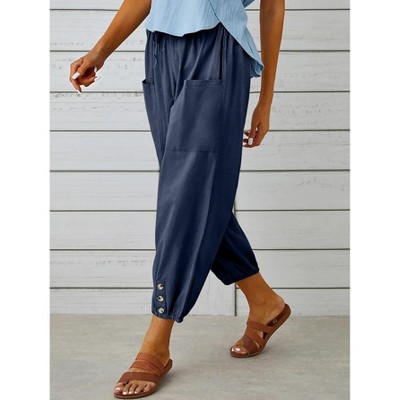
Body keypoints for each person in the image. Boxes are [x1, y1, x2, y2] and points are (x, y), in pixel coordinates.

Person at [69, 0, 289, 398]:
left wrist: (266, 98)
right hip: (159, 50)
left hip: (217, 48)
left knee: (187, 194)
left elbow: (273, 6)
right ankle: (264, 301)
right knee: (189, 190)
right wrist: (100, 51)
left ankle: (158, 336)